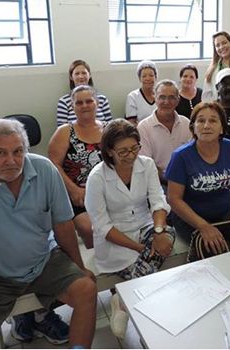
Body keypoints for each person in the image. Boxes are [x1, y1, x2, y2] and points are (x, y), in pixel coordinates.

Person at [0, 119, 97, 349]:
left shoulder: (44, 169)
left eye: (18, 151)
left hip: (43, 261)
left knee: (86, 289)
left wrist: (79, 267)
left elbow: (63, 225)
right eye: (0, 153)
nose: (11, 161)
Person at [85, 119, 175, 339]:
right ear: (109, 150)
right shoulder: (97, 177)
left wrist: (159, 233)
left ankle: (124, 301)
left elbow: (157, 201)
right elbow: (102, 225)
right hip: (114, 238)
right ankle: (140, 305)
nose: (131, 155)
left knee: (169, 234)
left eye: (134, 148)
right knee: (143, 262)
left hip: (145, 225)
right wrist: (138, 246)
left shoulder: (147, 165)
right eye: (123, 151)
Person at [166, 102, 230, 261]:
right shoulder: (181, 156)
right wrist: (203, 226)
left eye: (213, 120)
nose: (206, 126)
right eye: (200, 120)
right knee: (213, 251)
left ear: (222, 128)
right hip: (191, 219)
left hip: (224, 213)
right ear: (193, 128)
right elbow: (174, 199)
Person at [48, 85, 105, 249]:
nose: (85, 106)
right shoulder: (65, 132)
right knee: (89, 228)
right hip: (78, 195)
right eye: (79, 103)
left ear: (97, 103)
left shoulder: (109, 128)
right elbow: (53, 164)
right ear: (73, 106)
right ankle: (97, 256)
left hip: (108, 190)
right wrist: (73, 190)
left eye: (89, 101)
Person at [138, 80, 192, 184]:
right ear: (154, 97)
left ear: (178, 100)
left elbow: (193, 156)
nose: (166, 102)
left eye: (172, 97)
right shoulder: (144, 127)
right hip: (158, 182)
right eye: (162, 97)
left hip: (187, 180)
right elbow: (147, 164)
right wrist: (172, 181)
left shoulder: (186, 123)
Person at [56, 59, 112, 126]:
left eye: (84, 73)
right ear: (71, 77)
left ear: (90, 75)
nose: (81, 76)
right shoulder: (64, 101)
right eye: (77, 74)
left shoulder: (102, 99)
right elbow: (61, 129)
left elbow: (110, 126)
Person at [202, 31, 230, 102]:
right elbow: (206, 97)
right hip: (218, 108)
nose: (221, 47)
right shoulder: (212, 70)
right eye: (217, 45)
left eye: (224, 43)